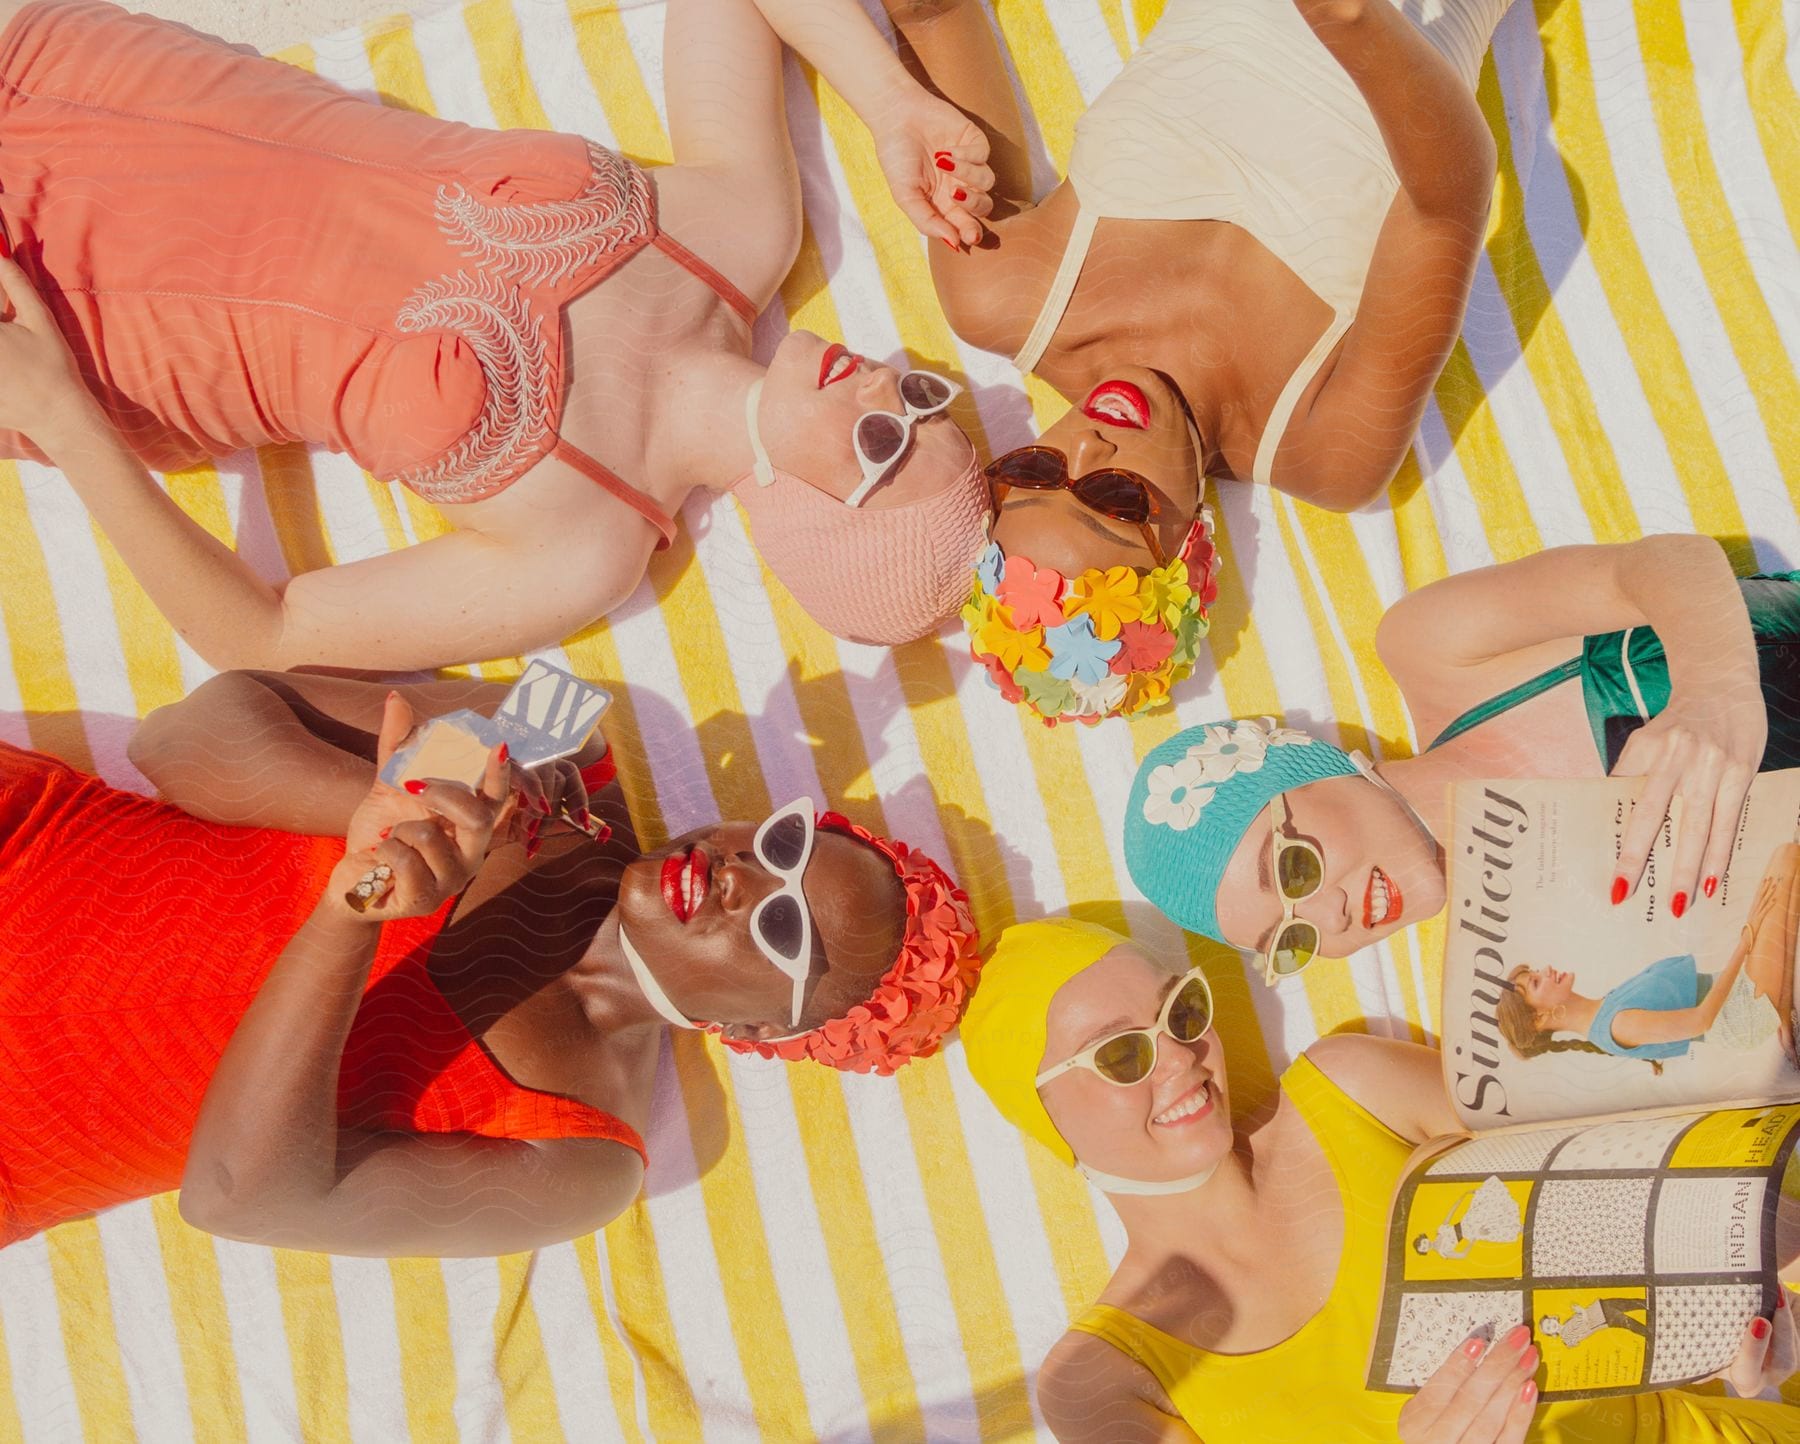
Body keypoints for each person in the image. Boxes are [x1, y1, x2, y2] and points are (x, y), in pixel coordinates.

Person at [0, 0, 996, 671]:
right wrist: (890, 101)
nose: (881, 386)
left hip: (85, 323)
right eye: (918, 398)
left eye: (881, 443)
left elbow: (264, 635)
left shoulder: (586, 550)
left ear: (808, 521)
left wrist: (61, 414)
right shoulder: (741, 234)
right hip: (105, 89)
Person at [0, 671, 981, 1254]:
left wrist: (362, 904)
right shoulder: (559, 750)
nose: (741, 878)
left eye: (780, 928)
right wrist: (367, 810)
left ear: (762, 1030)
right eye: (781, 846)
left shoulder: (581, 1156)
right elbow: (182, 735)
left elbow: (235, 1193)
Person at [744, 0, 1515, 723]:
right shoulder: (1325, 450)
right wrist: (1347, 21)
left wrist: (893, 108)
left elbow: (934, 14)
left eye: (1039, 475)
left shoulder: (1009, 294)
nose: (1087, 444)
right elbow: (1448, 203)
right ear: (1191, 544)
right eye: (1115, 500)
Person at [960, 918, 1800, 1442]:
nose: (1180, 1056)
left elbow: (1662, 1172)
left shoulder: (1348, 1088)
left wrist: (1759, 1301)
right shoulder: (1102, 1380)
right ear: (1043, 1116)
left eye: (1180, 1011)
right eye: (1119, 1054)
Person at [1122, 535, 1800, 981]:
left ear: (1312, 765)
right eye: (1291, 940)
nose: (1330, 919)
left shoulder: (1437, 654)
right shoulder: (1531, 968)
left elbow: (1664, 563)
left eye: (1294, 870)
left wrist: (1716, 686)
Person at [1499, 849, 1800, 1069]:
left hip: (1744, 997)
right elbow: (1700, 1021)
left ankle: (1782, 1014)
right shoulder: (1614, 1025)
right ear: (1540, 1019)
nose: (1547, 969)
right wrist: (1746, 939)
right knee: (1788, 857)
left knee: (1790, 866)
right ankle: (1777, 1011)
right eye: (1536, 981)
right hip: (1742, 1012)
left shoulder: (1604, 1009)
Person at [1413, 1175, 1523, 1259]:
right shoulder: (1443, 1252)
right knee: (1500, 1228)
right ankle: (1525, 1228)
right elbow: (1462, 1255)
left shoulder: (1440, 1230)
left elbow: (1451, 1213)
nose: (1426, 1245)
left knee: (1493, 1208)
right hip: (1471, 1233)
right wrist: (1476, 1236)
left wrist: (1463, 1196)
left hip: (1467, 1220)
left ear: (1425, 1239)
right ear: (1425, 1252)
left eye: (1424, 1242)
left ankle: (1522, 1226)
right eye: (1423, 1248)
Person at [1543, 1300, 1650, 1349]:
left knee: (1630, 1304)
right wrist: (1582, 1311)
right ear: (1552, 1334)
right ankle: (1651, 1333)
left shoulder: (1566, 1324)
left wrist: (1580, 1311)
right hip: (1603, 1317)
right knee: (1630, 1321)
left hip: (1600, 1307)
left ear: (1552, 1319)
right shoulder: (1566, 1337)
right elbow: (1586, 1329)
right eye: (1548, 1328)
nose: (1551, 1325)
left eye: (1549, 1322)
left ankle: (1652, 1305)